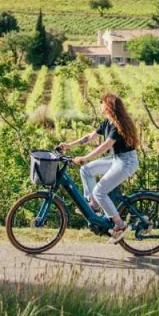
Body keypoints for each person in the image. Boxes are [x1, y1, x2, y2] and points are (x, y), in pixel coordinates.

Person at [59, 92, 139, 243]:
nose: (100, 104)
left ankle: (120, 225)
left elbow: (105, 146)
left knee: (100, 191)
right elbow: (90, 137)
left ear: (108, 105)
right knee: (86, 170)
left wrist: (84, 158)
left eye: (101, 101)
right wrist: (69, 145)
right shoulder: (107, 122)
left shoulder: (117, 125)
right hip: (116, 159)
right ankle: (93, 206)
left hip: (126, 162)